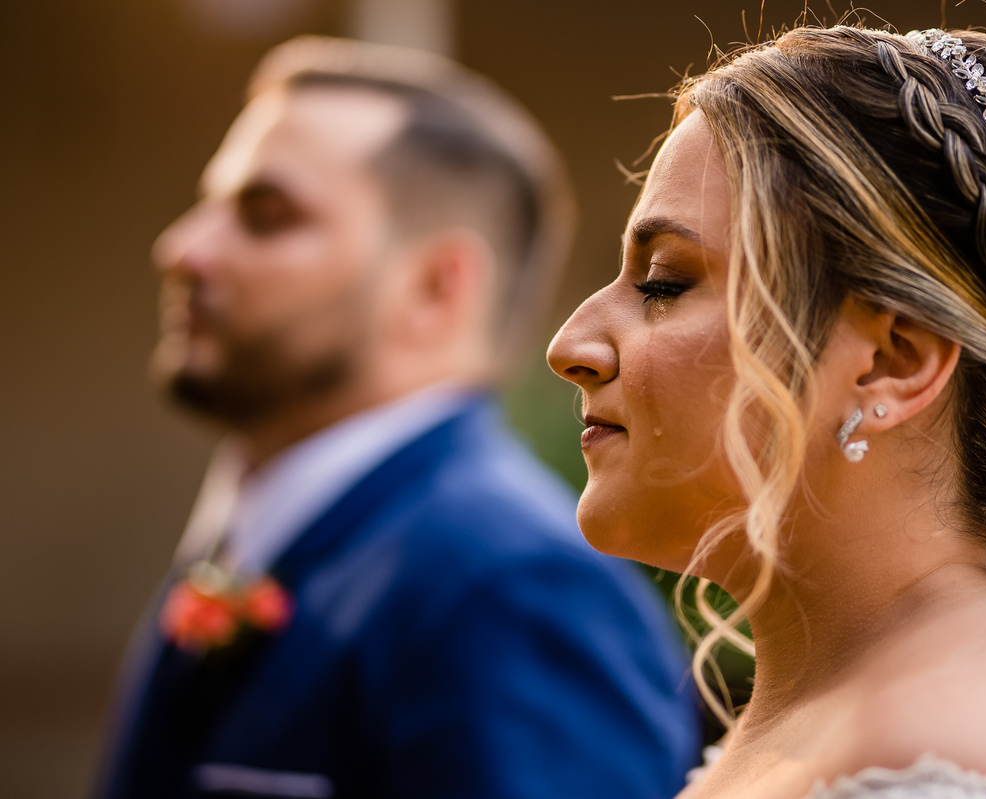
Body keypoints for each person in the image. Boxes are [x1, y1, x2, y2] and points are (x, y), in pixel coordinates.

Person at [549, 24, 986, 799]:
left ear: (893, 362)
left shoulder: (947, 755)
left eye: (663, 282)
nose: (571, 344)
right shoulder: (859, 696)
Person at [96, 35, 700, 799]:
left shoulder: (509, 588)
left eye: (265, 214)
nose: (181, 248)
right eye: (209, 205)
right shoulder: (251, 537)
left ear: (436, 288)